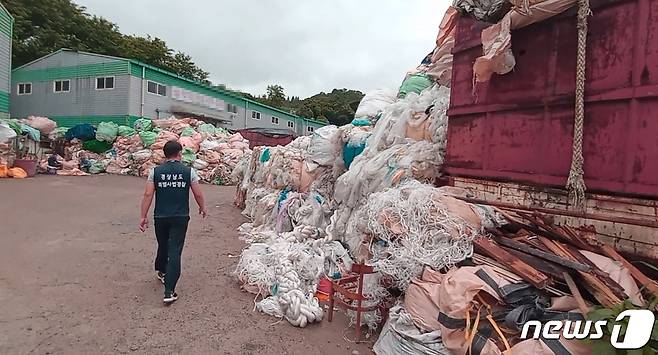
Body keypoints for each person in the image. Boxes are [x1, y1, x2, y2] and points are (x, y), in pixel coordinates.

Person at [139, 140, 207, 304]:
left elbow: (148, 195)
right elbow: (197, 193)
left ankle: (162, 271)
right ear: (179, 154)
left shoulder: (155, 172)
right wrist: (202, 207)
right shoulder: (189, 171)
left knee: (163, 245)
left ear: (165, 154)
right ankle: (169, 291)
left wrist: (143, 216)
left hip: (160, 217)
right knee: (174, 251)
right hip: (180, 217)